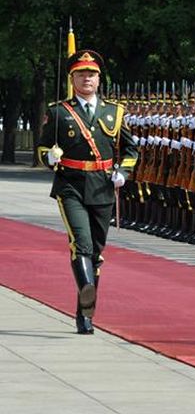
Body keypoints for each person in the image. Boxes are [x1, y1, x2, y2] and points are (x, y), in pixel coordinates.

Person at [37, 49, 138, 334]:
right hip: (70, 184)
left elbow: (131, 149)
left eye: (91, 74)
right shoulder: (59, 112)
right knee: (81, 243)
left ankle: (85, 312)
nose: (87, 79)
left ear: (99, 79)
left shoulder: (114, 112)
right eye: (81, 74)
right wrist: (50, 158)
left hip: (103, 185)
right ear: (72, 79)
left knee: (96, 251)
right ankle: (87, 293)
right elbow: (43, 147)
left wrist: (124, 171)